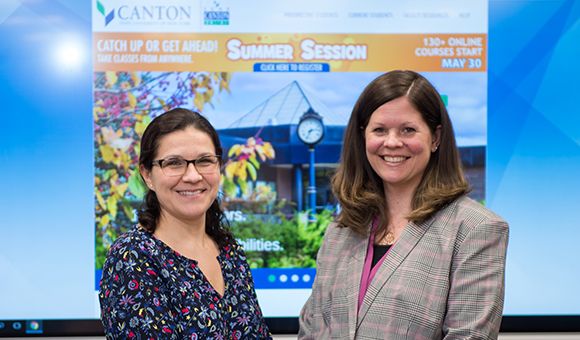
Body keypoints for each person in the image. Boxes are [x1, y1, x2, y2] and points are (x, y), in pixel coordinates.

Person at [299, 71, 509, 340]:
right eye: (379, 130)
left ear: (435, 138)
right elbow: (310, 331)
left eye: (408, 129)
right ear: (363, 137)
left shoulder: (476, 229)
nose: (392, 142)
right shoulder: (340, 231)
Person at [99, 108, 272, 340]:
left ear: (218, 167)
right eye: (174, 163)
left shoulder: (231, 253)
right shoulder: (132, 257)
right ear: (147, 175)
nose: (192, 176)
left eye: (204, 161)